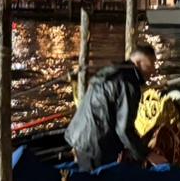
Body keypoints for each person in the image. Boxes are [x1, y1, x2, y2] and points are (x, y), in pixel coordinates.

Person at [65, 43, 157, 171]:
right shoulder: (129, 83)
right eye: (151, 64)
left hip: (79, 133)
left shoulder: (114, 70)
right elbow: (123, 129)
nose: (153, 70)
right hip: (94, 143)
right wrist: (147, 154)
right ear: (139, 62)